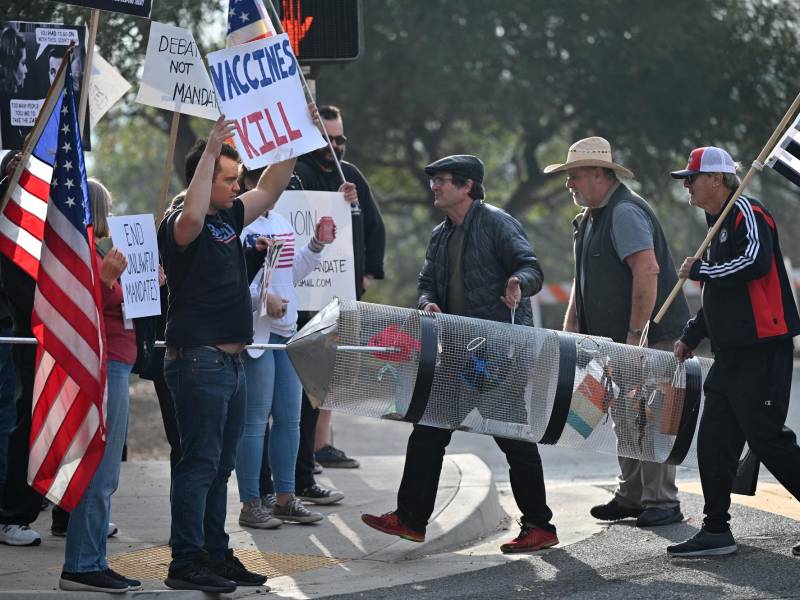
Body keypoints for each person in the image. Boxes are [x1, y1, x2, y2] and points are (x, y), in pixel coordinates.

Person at [362, 154, 558, 553]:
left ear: (468, 185)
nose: (435, 186)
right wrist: (428, 304)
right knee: (429, 431)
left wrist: (519, 281)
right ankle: (412, 520)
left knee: (514, 440)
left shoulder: (498, 223)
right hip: (458, 355)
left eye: (443, 180)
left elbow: (531, 267)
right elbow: (426, 284)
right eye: (433, 179)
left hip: (500, 355)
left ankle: (540, 526)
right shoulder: (441, 235)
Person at [158, 115, 297, 593]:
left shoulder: (230, 218)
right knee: (199, 463)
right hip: (199, 362)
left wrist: (294, 129)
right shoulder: (180, 224)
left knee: (220, 466)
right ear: (203, 178)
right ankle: (186, 560)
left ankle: (215, 553)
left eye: (238, 179)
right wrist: (212, 146)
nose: (238, 186)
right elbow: (193, 216)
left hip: (230, 364)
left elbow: (274, 187)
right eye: (228, 179)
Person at [544, 136, 690, 527]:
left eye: (575, 176)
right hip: (621, 342)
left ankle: (662, 501)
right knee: (626, 416)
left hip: (647, 339)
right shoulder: (589, 216)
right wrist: (572, 326)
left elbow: (648, 271)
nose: (569, 184)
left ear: (598, 173)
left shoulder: (624, 211)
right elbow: (583, 278)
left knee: (654, 416)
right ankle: (631, 496)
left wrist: (635, 335)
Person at [666, 146, 800, 557]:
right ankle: (716, 529)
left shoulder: (747, 212)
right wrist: (692, 334)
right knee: (714, 441)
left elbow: (755, 263)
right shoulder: (715, 223)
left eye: (691, 177)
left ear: (716, 179)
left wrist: (702, 269)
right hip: (731, 354)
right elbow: (719, 295)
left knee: (767, 438)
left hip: (762, 349)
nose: (686, 185)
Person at [288, 105, 385, 504]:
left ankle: (309, 461)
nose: (336, 147)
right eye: (328, 139)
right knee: (292, 394)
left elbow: (374, 228)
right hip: (299, 304)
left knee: (324, 384)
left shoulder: (352, 177)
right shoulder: (296, 176)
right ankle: (291, 471)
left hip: (340, 301)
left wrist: (366, 273)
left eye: (341, 139)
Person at [235, 165, 334, 529]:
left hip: (285, 331)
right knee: (255, 421)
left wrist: (317, 245)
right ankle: (249, 504)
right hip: (256, 334)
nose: (276, 189)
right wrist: (264, 300)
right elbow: (231, 280)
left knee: (289, 420)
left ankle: (285, 498)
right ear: (249, 182)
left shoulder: (280, 221)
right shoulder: (238, 222)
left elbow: (290, 273)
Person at [59, 179, 141, 593]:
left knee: (105, 470)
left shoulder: (95, 253)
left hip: (117, 363)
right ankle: (83, 564)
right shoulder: (86, 255)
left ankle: (90, 560)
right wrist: (107, 281)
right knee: (100, 470)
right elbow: (77, 308)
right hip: (105, 364)